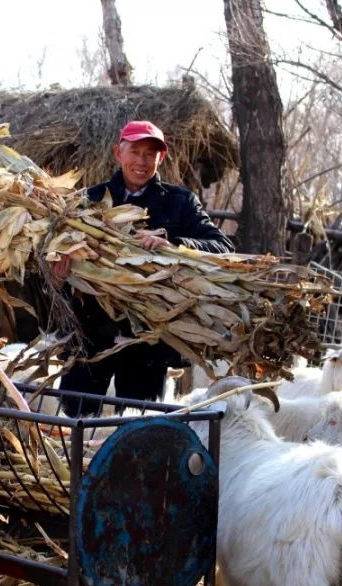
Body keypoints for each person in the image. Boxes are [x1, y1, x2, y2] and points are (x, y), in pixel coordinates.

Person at [52, 120, 235, 416]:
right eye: (135, 151)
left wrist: (173, 244)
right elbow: (57, 265)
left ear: (160, 159)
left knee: (138, 427)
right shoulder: (88, 202)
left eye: (150, 154)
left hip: (149, 339)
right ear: (118, 153)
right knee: (72, 422)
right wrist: (58, 276)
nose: (141, 161)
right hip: (89, 333)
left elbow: (222, 246)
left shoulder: (180, 202)